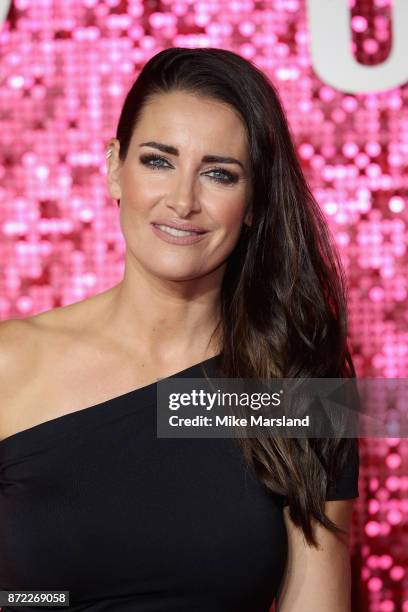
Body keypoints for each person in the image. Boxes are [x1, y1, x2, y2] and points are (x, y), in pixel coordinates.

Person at [0, 47, 359, 611]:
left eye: (219, 173)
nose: (183, 200)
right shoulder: (9, 362)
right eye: (158, 161)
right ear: (115, 167)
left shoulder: (299, 388)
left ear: (256, 199)